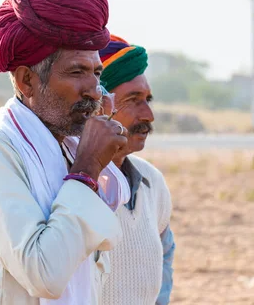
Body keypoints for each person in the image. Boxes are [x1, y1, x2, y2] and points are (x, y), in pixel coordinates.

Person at [0, 0, 132, 305]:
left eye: (96, 73)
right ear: (27, 80)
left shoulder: (67, 147)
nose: (94, 89)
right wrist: (87, 167)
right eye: (76, 72)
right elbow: (44, 274)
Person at [98, 35, 175, 305]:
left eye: (148, 99)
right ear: (98, 105)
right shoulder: (73, 182)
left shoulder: (151, 181)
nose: (148, 115)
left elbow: (165, 255)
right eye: (133, 100)